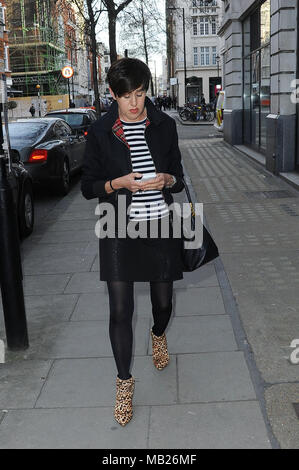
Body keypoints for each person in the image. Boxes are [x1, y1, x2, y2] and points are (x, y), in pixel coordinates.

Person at [81, 58, 185, 427]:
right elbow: (87, 186)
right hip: (117, 227)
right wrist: (117, 184)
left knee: (163, 304)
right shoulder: (100, 132)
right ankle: (124, 381)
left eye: (140, 94)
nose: (134, 103)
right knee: (120, 311)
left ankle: (158, 335)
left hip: (159, 224)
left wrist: (167, 179)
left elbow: (180, 179)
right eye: (126, 96)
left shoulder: (164, 126)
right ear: (113, 95)